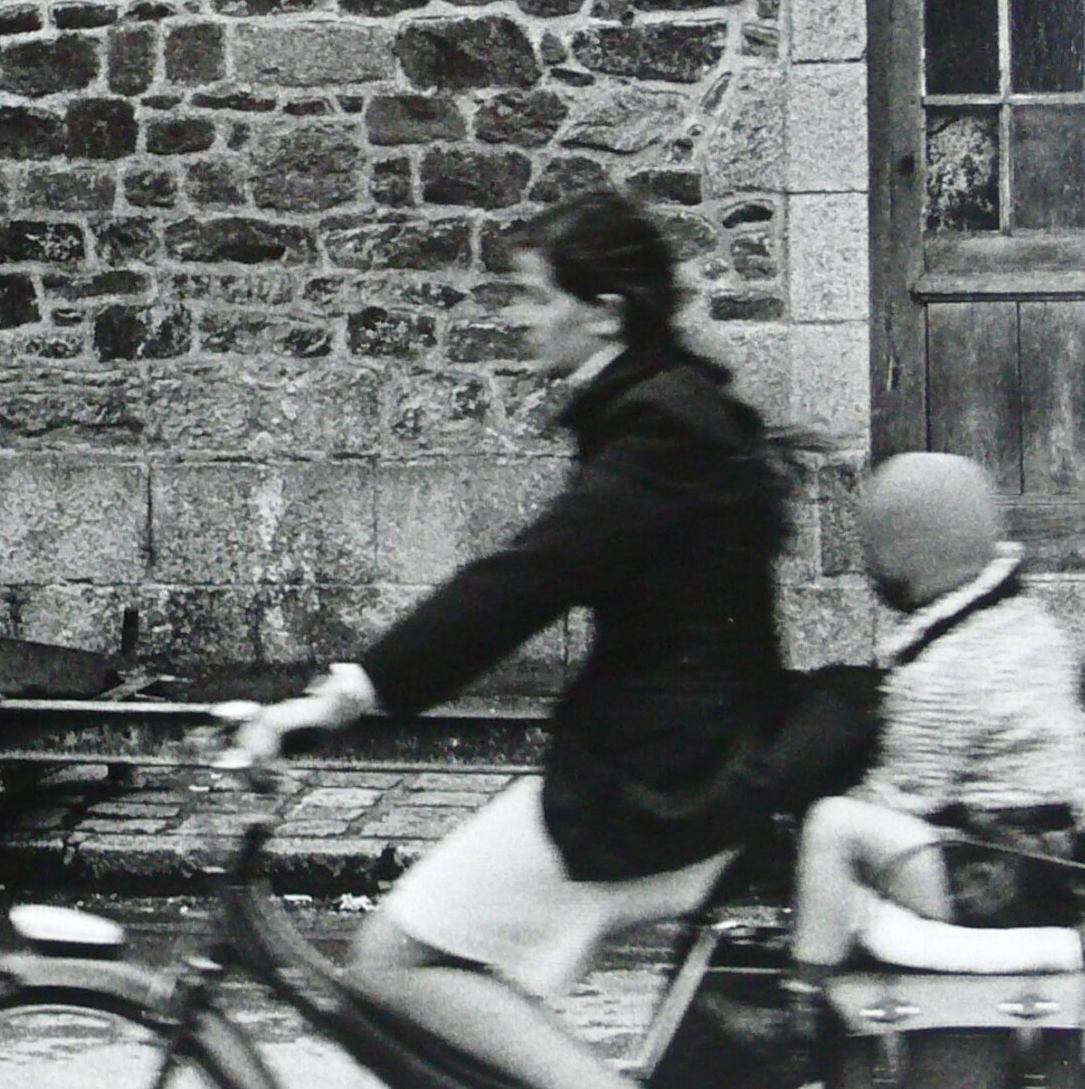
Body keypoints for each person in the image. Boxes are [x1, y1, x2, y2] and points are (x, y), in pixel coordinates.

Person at [234, 190, 790, 1089]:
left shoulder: (659, 432)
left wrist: (346, 695)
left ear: (604, 311)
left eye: (535, 298)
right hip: (679, 757)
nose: (518, 320)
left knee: (392, 959)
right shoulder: (669, 408)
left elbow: (524, 581)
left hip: (656, 780)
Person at [788, 450, 1085, 983]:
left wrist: (806, 817)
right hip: (1041, 872)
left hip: (988, 882)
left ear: (910, 555)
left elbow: (905, 794)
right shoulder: (1025, 625)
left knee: (832, 827)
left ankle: (802, 1000)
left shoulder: (950, 662)